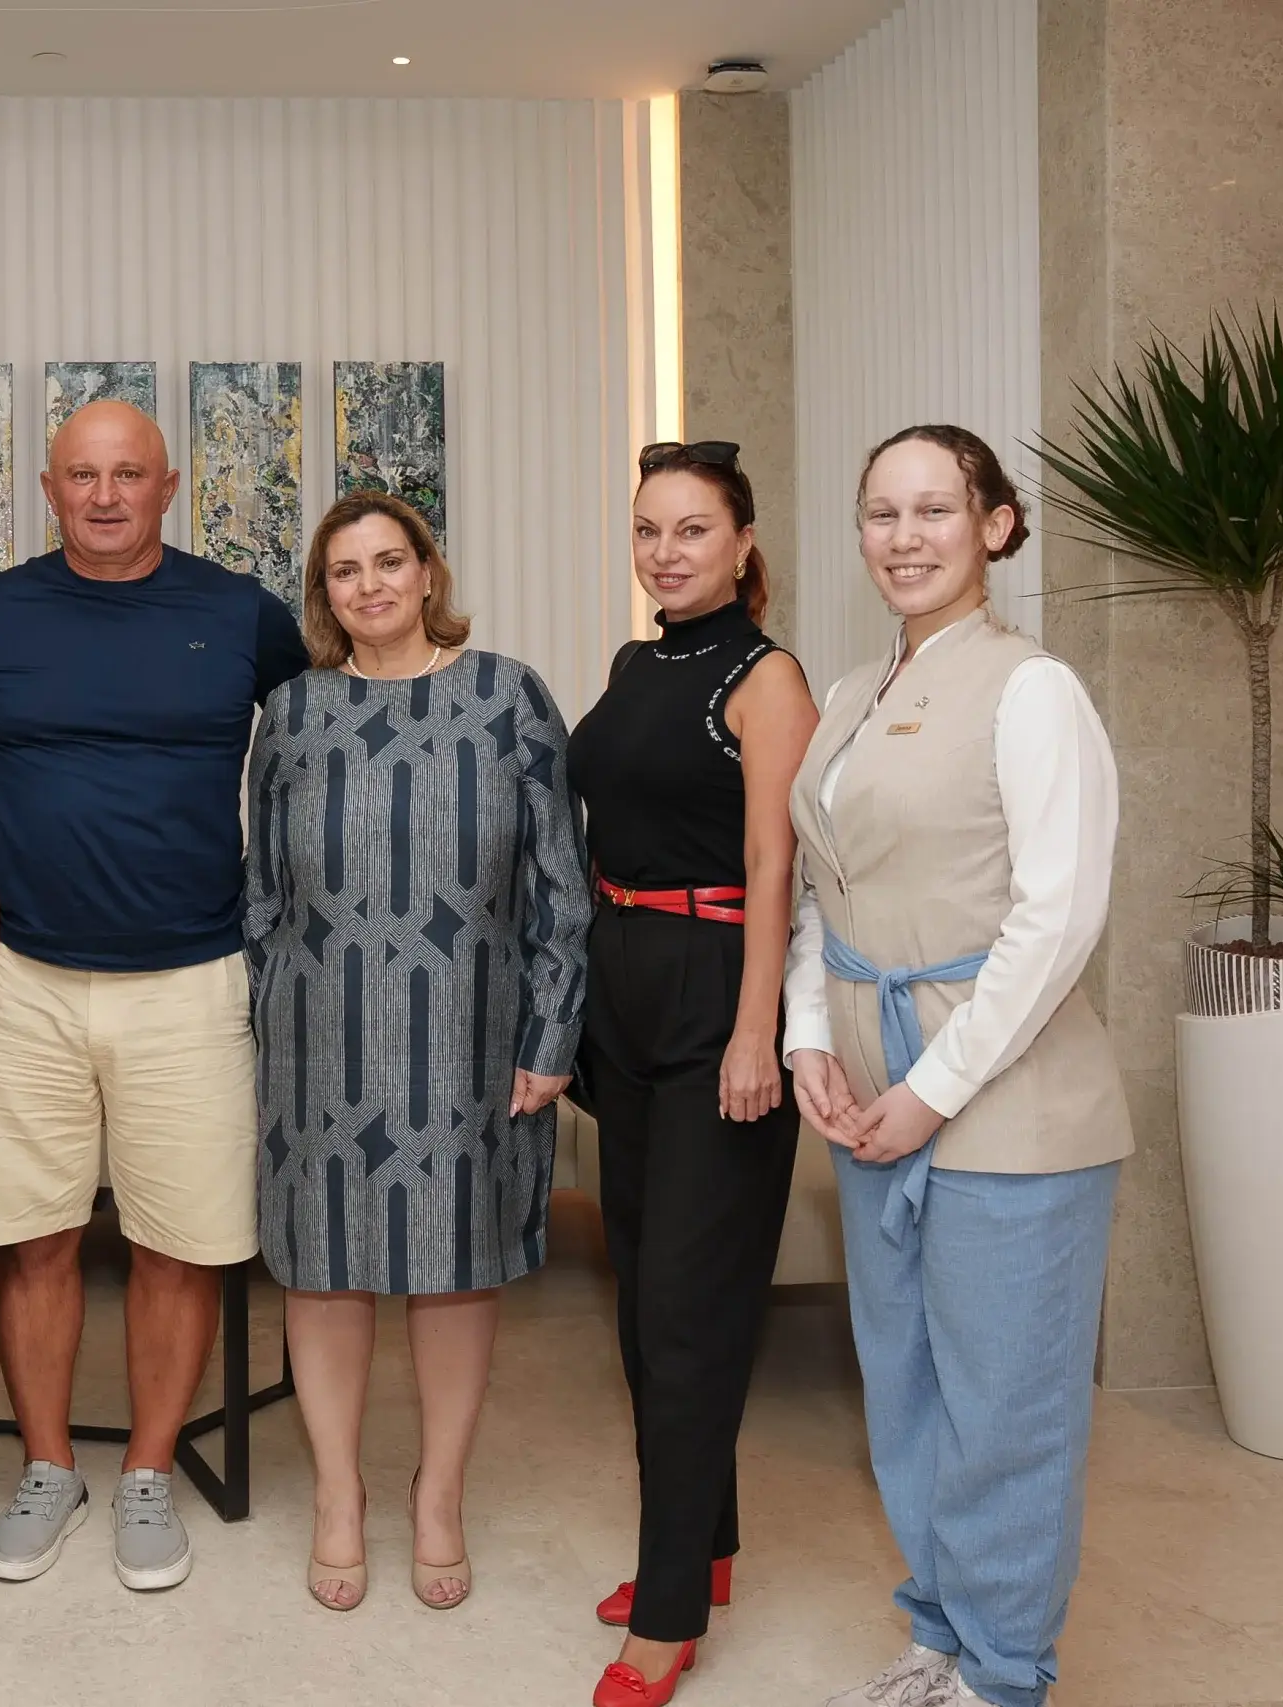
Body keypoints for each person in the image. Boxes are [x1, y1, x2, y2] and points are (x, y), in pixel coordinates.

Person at [0, 399, 309, 1591]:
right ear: (47, 488)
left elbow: (323, 749)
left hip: (190, 979)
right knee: (34, 1236)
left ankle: (148, 1470)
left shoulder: (239, 614)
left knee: (181, 1243)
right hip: (24, 979)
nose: (106, 496)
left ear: (168, 484)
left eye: (129, 475)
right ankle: (50, 1465)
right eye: (83, 476)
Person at [789, 426, 1129, 1707]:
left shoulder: (1032, 690)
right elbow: (827, 895)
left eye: (935, 509)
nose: (904, 536)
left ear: (993, 526)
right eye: (881, 512)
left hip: (1005, 1101)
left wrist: (930, 1090)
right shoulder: (848, 697)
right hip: (869, 1096)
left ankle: (1001, 1673)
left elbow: (1057, 920)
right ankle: (937, 1628)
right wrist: (807, 1039)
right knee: (910, 1388)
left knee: (1006, 1410)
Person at [244, 492, 588, 1615]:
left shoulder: (507, 697)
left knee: (454, 1269)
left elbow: (559, 886)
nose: (371, 586)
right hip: (316, 1039)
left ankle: (437, 1496)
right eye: (345, 572)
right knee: (324, 1271)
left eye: (390, 562)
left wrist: (551, 1031)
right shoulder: (289, 713)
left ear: (429, 572)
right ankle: (338, 1497)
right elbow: (259, 895)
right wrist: (265, 1026)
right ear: (323, 594)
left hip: (468, 1034)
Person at [565, 442, 818, 1707]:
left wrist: (754, 1033)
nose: (667, 552)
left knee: (688, 1312)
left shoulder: (767, 677)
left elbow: (776, 866)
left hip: (718, 989)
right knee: (638, 1297)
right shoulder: (634, 662)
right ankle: (701, 1548)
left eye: (693, 531)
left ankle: (666, 1618)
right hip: (621, 995)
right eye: (648, 530)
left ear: (741, 544)